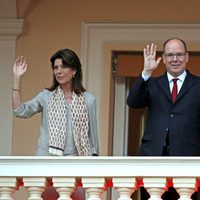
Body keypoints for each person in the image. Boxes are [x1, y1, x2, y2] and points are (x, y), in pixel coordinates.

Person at [126, 38, 200, 199]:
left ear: (187, 57)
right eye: (170, 55)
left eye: (179, 54)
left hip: (187, 160)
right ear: (164, 58)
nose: (175, 59)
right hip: (153, 158)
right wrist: (146, 73)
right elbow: (133, 102)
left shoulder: (198, 85)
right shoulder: (152, 83)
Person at [13, 48, 99, 157]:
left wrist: (93, 163)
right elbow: (20, 111)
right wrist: (16, 79)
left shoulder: (89, 100)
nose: (58, 71)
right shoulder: (46, 96)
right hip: (46, 158)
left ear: (74, 70)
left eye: (64, 67)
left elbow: (93, 141)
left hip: (76, 159)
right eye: (55, 67)